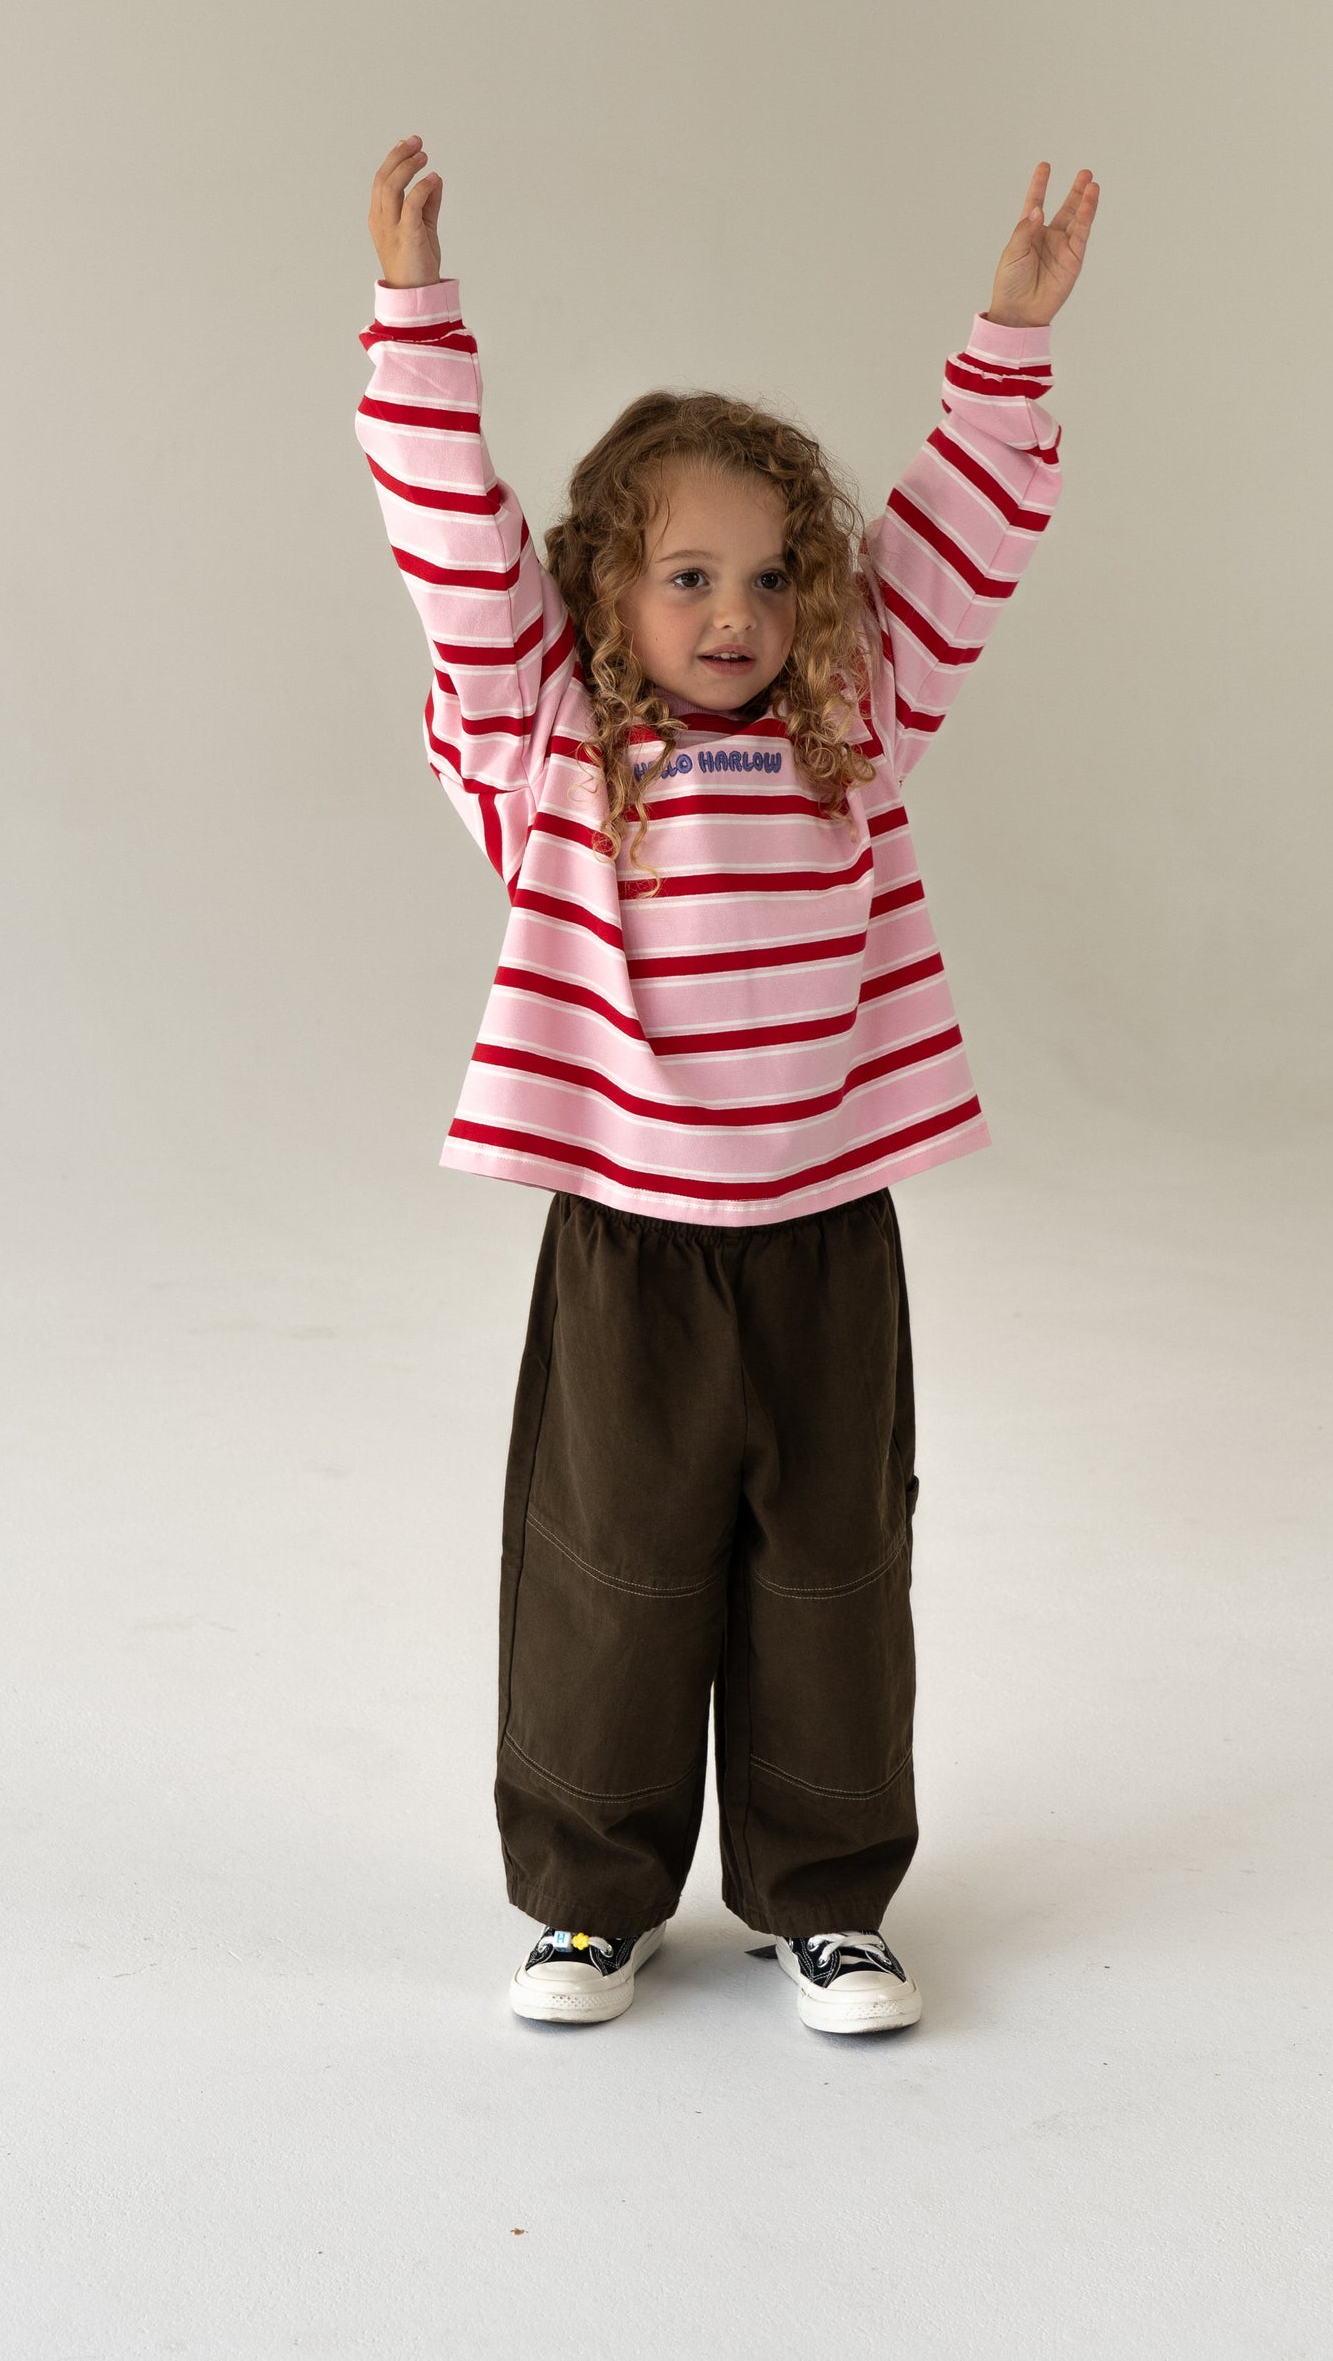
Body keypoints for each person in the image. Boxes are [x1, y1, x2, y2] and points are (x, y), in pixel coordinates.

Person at [355, 133, 1098, 2035]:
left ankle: (820, 1898)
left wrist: (1006, 337)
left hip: (828, 1235)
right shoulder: (549, 738)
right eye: (685, 577)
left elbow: (956, 538)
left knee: (835, 1578)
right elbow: (447, 537)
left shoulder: (852, 724)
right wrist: (413, 315)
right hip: (630, 1245)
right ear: (604, 590)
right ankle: (592, 1899)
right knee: (610, 1576)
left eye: (769, 578)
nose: (735, 614)